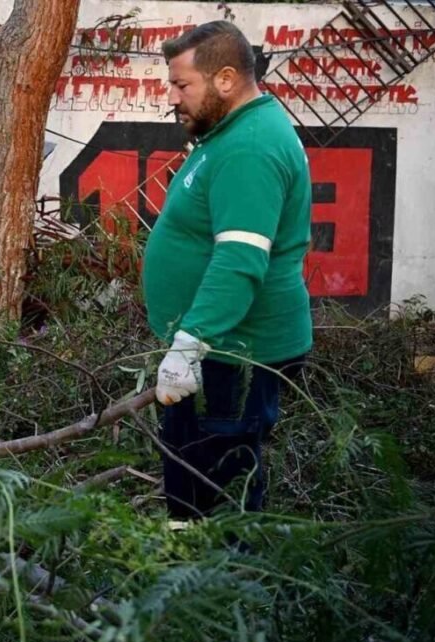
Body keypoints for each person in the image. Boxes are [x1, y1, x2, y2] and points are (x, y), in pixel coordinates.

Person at [142, 21, 312, 519]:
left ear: (225, 80)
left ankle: (221, 585)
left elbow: (240, 262)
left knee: (218, 488)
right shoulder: (232, 131)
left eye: (181, 85)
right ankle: (189, 569)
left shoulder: (249, 148)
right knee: (191, 467)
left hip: (233, 352)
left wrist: (189, 344)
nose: (172, 97)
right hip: (218, 348)